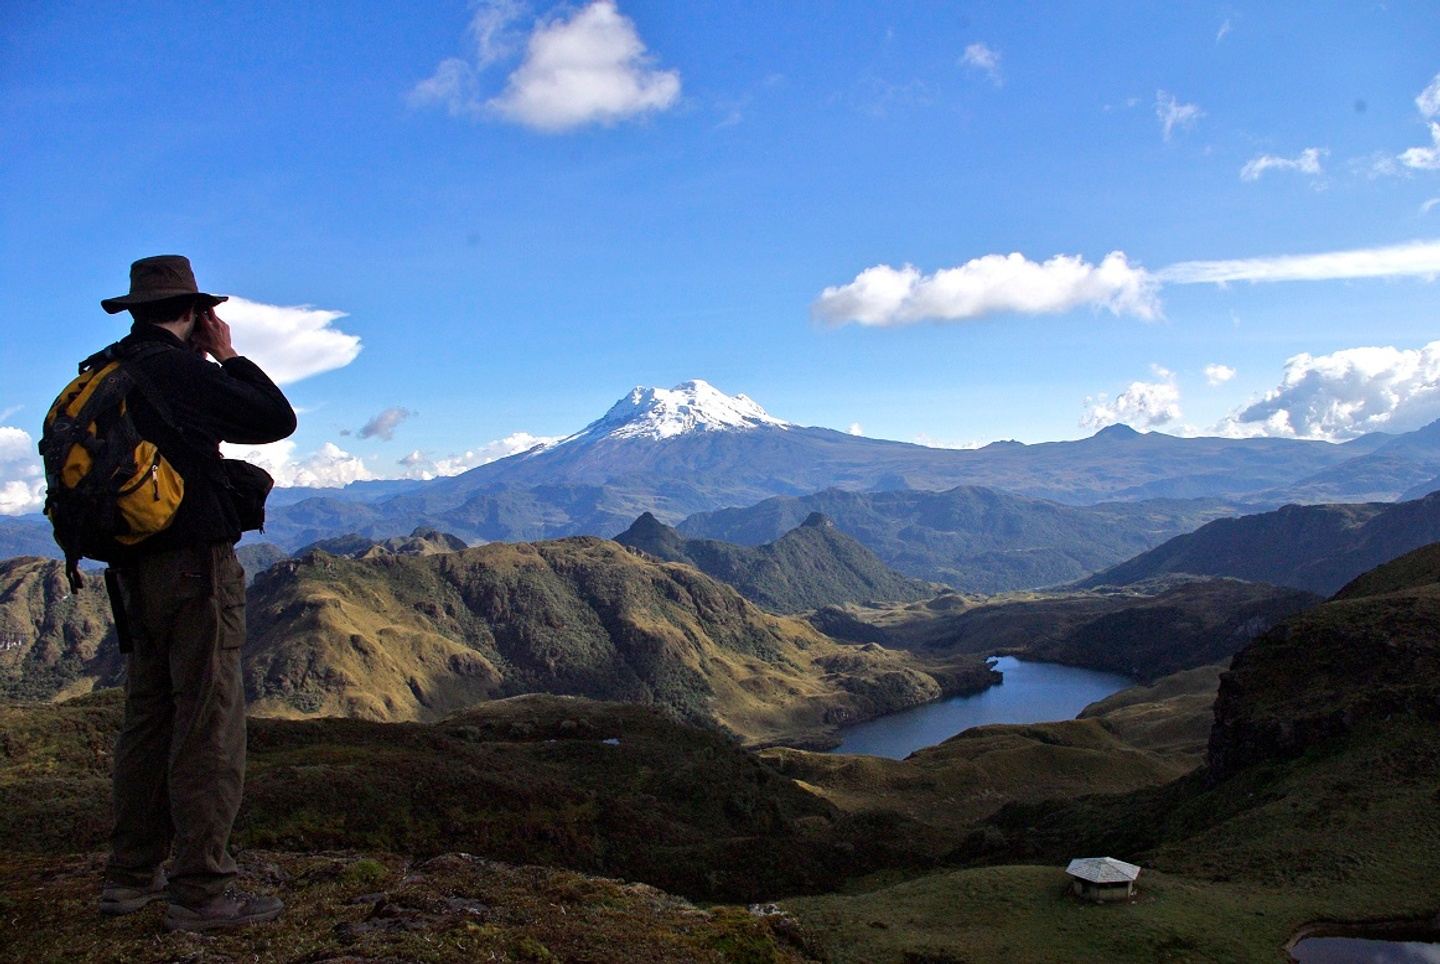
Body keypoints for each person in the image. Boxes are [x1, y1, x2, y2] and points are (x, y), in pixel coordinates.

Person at [94, 255, 296, 932]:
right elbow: (274, 418)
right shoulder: (179, 372)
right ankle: (202, 890)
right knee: (207, 721)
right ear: (194, 311)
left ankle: (129, 876)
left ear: (135, 310)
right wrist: (227, 354)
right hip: (194, 573)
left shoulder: (105, 372)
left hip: (130, 573)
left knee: (149, 717)